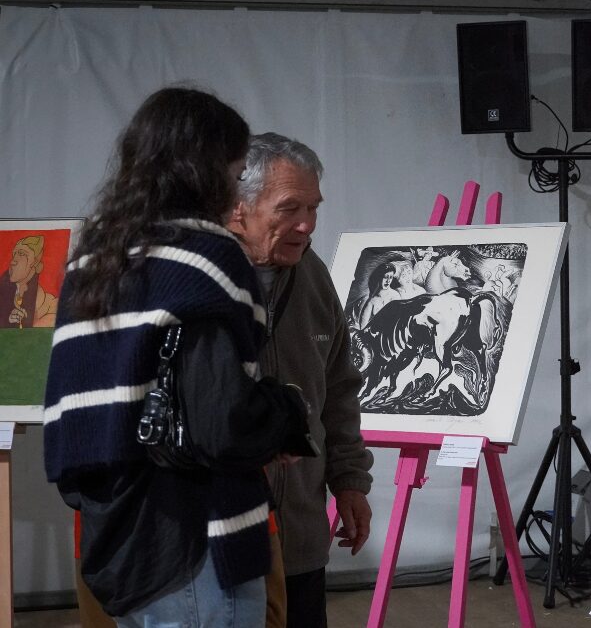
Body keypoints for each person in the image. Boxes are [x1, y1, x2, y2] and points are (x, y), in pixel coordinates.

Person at [42, 87, 312, 627]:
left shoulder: (93, 261)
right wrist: (285, 415)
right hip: (197, 543)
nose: (235, 192)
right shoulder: (206, 257)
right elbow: (224, 425)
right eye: (236, 173)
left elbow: (72, 425)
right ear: (205, 171)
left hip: (116, 542)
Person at [227, 132, 374, 628]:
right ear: (237, 208)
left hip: (304, 539)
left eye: (313, 208)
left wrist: (350, 482)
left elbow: (337, 387)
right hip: (227, 542)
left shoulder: (311, 274)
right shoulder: (199, 281)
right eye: (290, 208)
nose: (307, 225)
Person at [2, 235, 59, 328]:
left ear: (35, 262)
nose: (13, 261)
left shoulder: (50, 305)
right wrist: (6, 321)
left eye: (22, 254)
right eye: (14, 254)